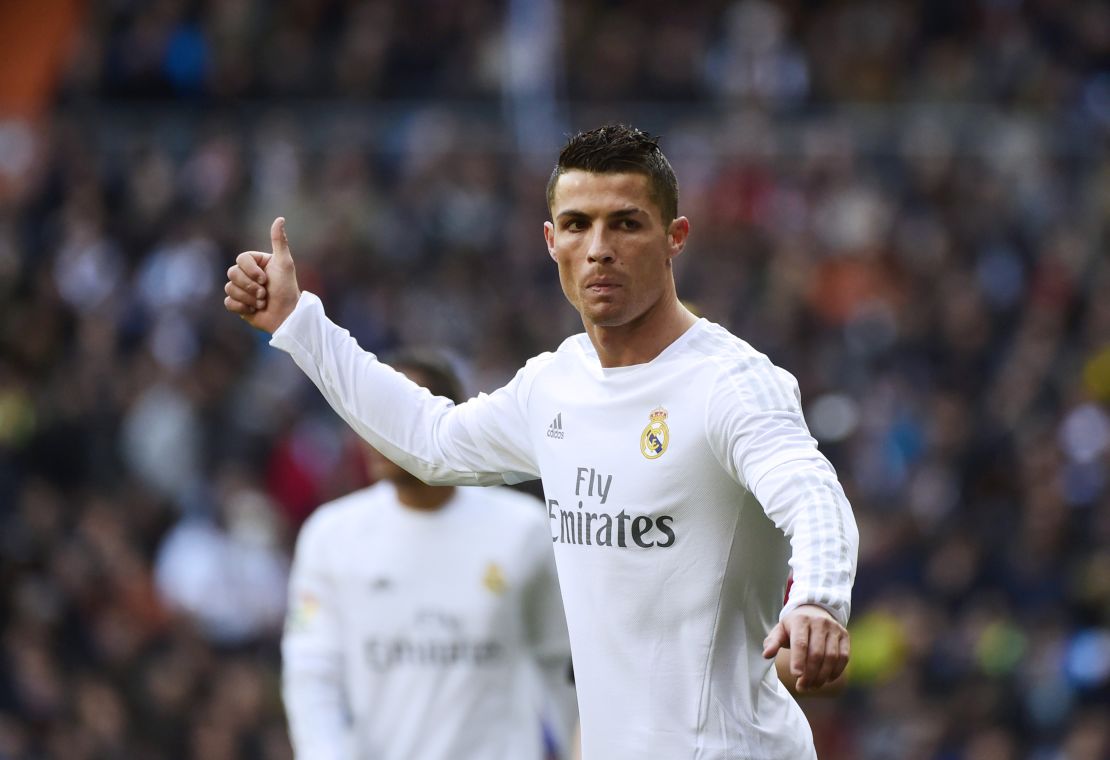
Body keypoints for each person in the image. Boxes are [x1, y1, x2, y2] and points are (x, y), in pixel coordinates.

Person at [226, 124, 859, 759]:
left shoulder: (730, 382)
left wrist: (818, 601)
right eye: (579, 224)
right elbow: (431, 438)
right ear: (551, 240)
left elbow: (812, 491)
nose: (600, 248)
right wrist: (298, 323)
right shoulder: (555, 384)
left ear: (675, 238)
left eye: (627, 224)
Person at [281, 350, 577, 760]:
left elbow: (559, 657)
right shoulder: (330, 535)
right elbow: (312, 672)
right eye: (366, 414)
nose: (375, 430)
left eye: (393, 414)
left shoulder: (525, 529)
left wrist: (558, 743)